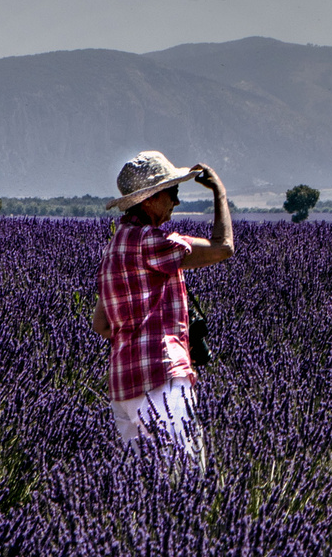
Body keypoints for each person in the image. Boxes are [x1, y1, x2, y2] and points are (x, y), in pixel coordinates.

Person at [91, 150, 233, 465]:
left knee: (142, 491)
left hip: (124, 387)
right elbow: (224, 248)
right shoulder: (152, 241)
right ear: (151, 199)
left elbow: (101, 325)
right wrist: (220, 194)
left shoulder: (115, 248)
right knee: (185, 478)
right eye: (173, 193)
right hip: (161, 377)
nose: (176, 203)